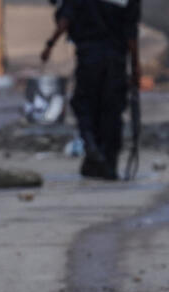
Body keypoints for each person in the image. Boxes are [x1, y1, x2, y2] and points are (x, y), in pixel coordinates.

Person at [41, 0, 141, 180]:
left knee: (84, 105)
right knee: (112, 111)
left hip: (89, 58)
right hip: (115, 61)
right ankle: (108, 165)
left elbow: (65, 21)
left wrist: (49, 45)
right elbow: (131, 33)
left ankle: (91, 145)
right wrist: (135, 67)